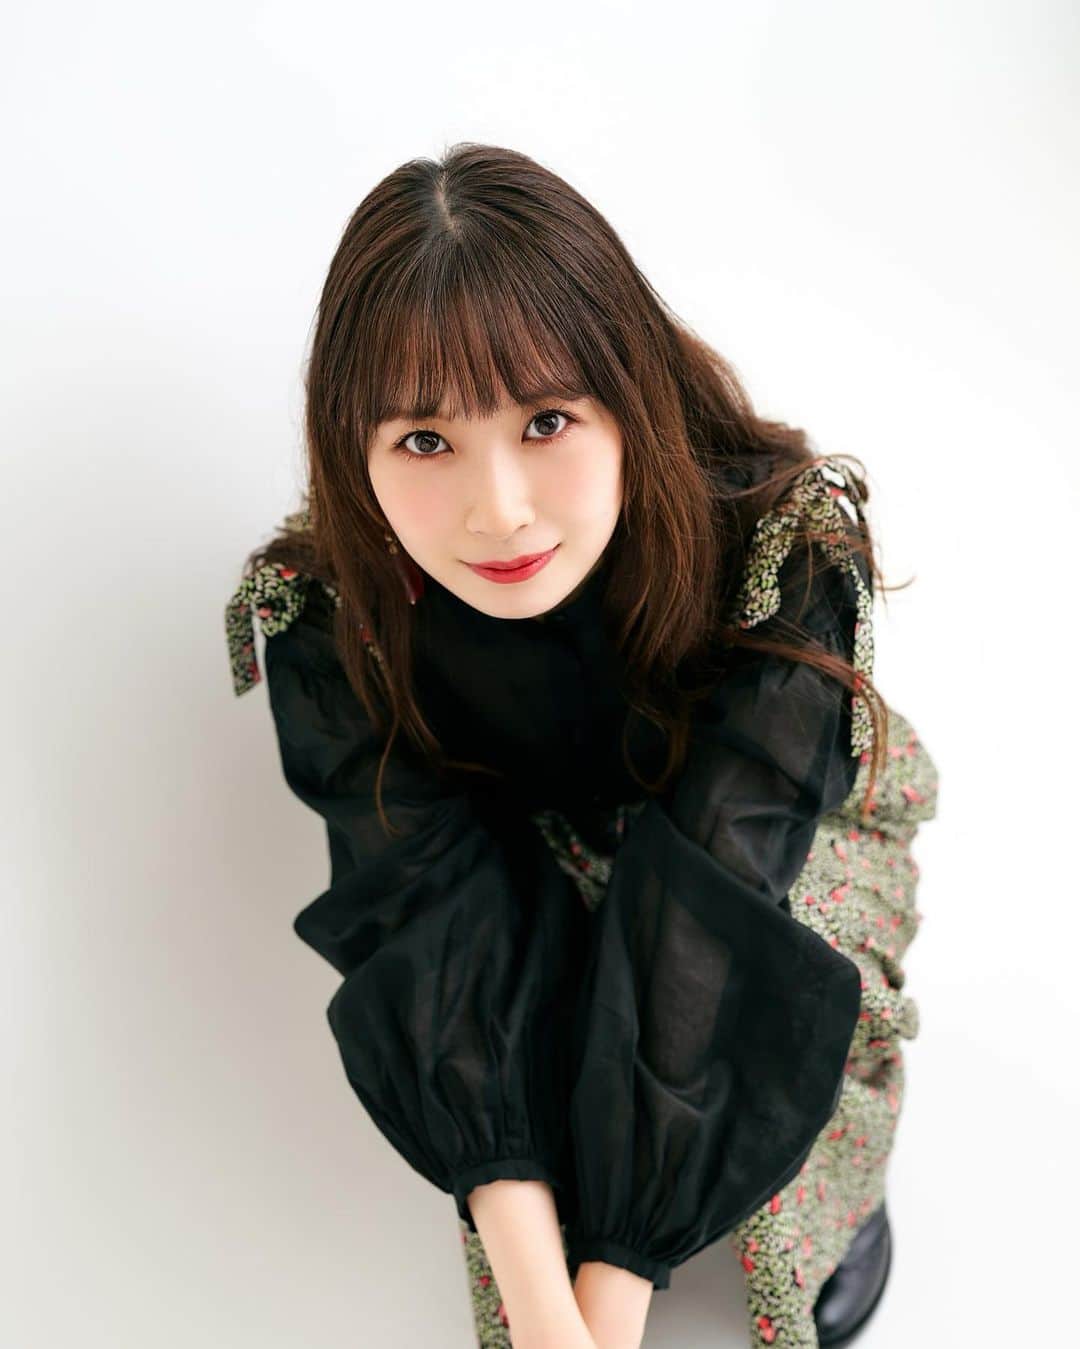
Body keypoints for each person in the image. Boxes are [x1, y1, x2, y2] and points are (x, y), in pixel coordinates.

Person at [224, 143, 939, 1349]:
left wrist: (618, 1282)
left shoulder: (779, 539)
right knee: (512, 1048)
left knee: (787, 959)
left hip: (773, 825)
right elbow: (427, 908)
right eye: (425, 440)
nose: (497, 507)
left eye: (546, 420)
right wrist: (550, 1313)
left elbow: (721, 878)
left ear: (626, 393)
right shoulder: (332, 611)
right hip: (534, 829)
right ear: (354, 444)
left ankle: (825, 1199)